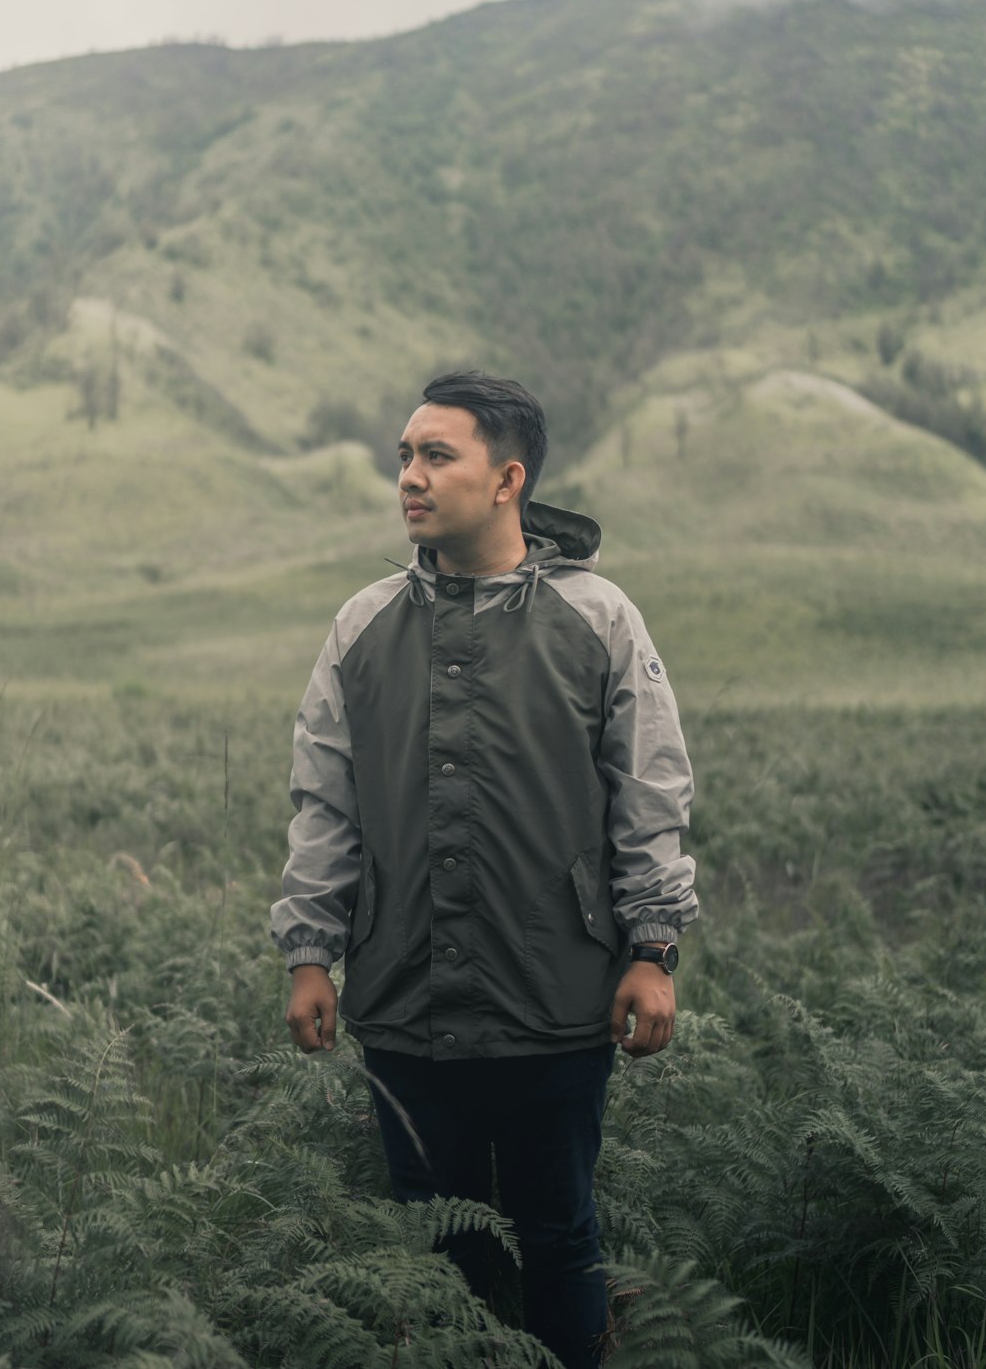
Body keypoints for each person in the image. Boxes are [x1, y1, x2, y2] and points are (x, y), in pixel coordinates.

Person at [271, 370, 698, 1368]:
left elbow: (649, 794)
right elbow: (325, 805)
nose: (409, 479)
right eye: (404, 458)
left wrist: (654, 949)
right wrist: (309, 955)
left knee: (556, 1238)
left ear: (507, 478)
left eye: (436, 456)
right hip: (403, 996)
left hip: (557, 996)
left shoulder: (597, 618)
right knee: (435, 1254)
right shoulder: (362, 624)